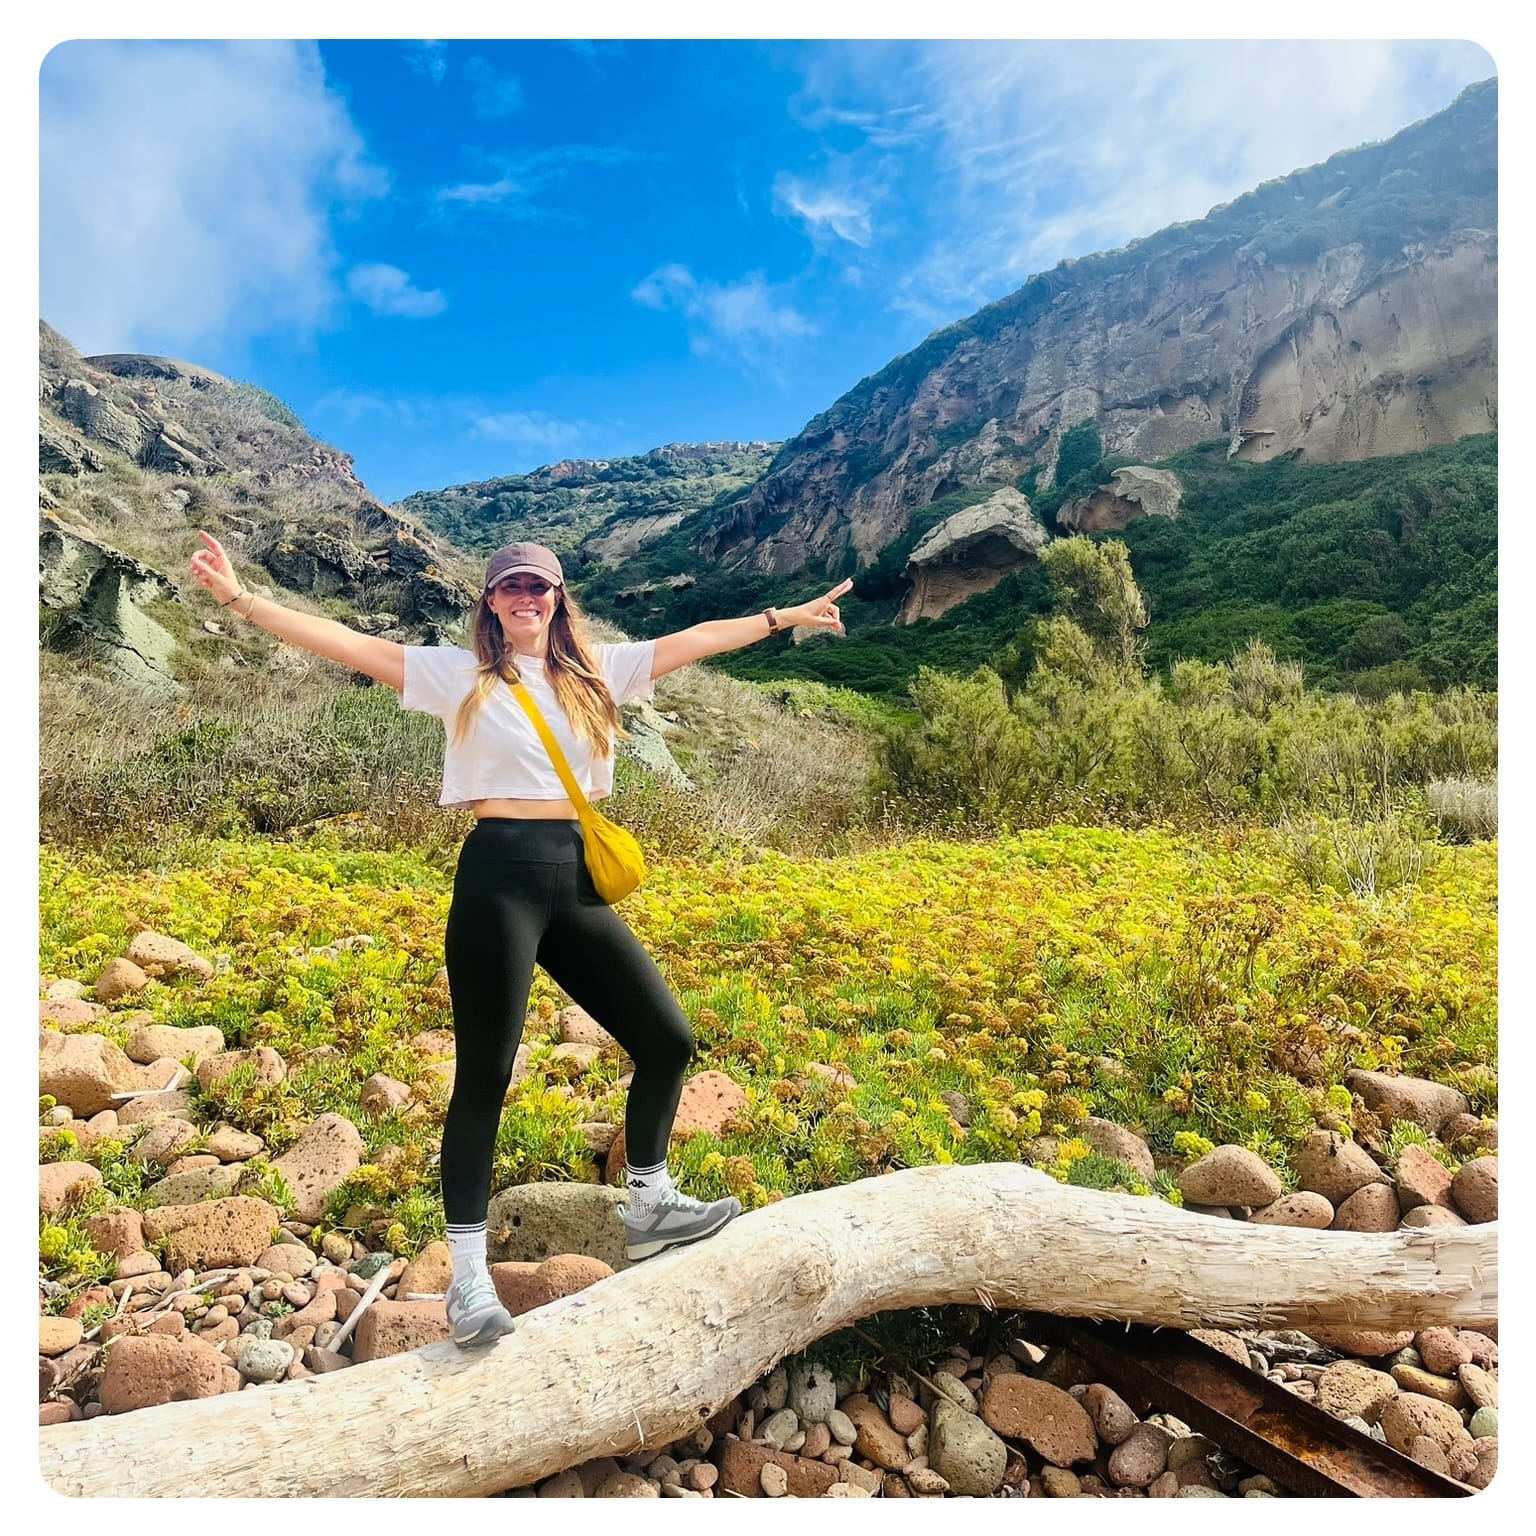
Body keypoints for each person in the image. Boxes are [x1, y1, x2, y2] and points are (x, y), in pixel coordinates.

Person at [188, 529, 852, 1347]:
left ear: (557, 599)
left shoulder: (596, 672)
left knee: (668, 1040)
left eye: (540, 589)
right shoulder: (457, 675)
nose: (527, 600)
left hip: (576, 875)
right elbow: (350, 644)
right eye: (512, 589)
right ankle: (468, 1281)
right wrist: (238, 598)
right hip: (497, 874)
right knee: (486, 1075)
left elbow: (696, 641)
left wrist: (784, 616)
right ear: (492, 603)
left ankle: (650, 1202)